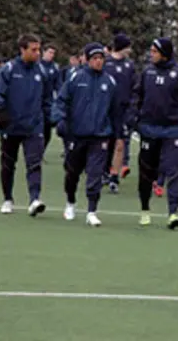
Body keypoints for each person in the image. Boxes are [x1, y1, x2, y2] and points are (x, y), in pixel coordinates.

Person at [129, 37, 178, 229]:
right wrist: (134, 119)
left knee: (174, 171)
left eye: (155, 51)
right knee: (146, 172)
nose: (151, 54)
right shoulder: (147, 72)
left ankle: (172, 213)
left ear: (165, 54)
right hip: (149, 129)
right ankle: (145, 210)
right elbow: (137, 97)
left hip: (172, 130)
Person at [51, 42, 121, 227]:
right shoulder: (75, 77)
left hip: (100, 136)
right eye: (95, 58)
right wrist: (59, 119)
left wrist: (118, 132)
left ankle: (92, 211)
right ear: (88, 60)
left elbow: (115, 110)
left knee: (95, 174)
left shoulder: (110, 81)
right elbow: (62, 101)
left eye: (101, 58)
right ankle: (70, 202)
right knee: (72, 173)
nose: (98, 62)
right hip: (76, 134)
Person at [0, 34, 53, 217]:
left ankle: (34, 199)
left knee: (34, 164)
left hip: (34, 126)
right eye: (33, 50)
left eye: (39, 49)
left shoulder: (42, 71)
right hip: (11, 125)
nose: (37, 53)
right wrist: (0, 111)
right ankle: (7, 199)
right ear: (22, 50)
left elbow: (47, 98)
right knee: (8, 164)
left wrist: (49, 118)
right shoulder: (9, 69)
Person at [102, 34, 136, 193]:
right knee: (105, 143)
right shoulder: (105, 63)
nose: (130, 50)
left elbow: (135, 88)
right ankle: (104, 171)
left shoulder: (130, 65)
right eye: (128, 47)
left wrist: (133, 108)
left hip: (123, 111)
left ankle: (114, 178)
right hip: (106, 110)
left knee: (120, 143)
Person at [40, 45, 60, 154]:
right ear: (44, 52)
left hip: (49, 104)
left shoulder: (55, 68)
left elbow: (58, 85)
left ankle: (41, 152)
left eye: (53, 53)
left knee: (47, 132)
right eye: (49, 52)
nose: (51, 55)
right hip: (37, 103)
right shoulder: (37, 65)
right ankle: (35, 154)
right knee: (37, 130)